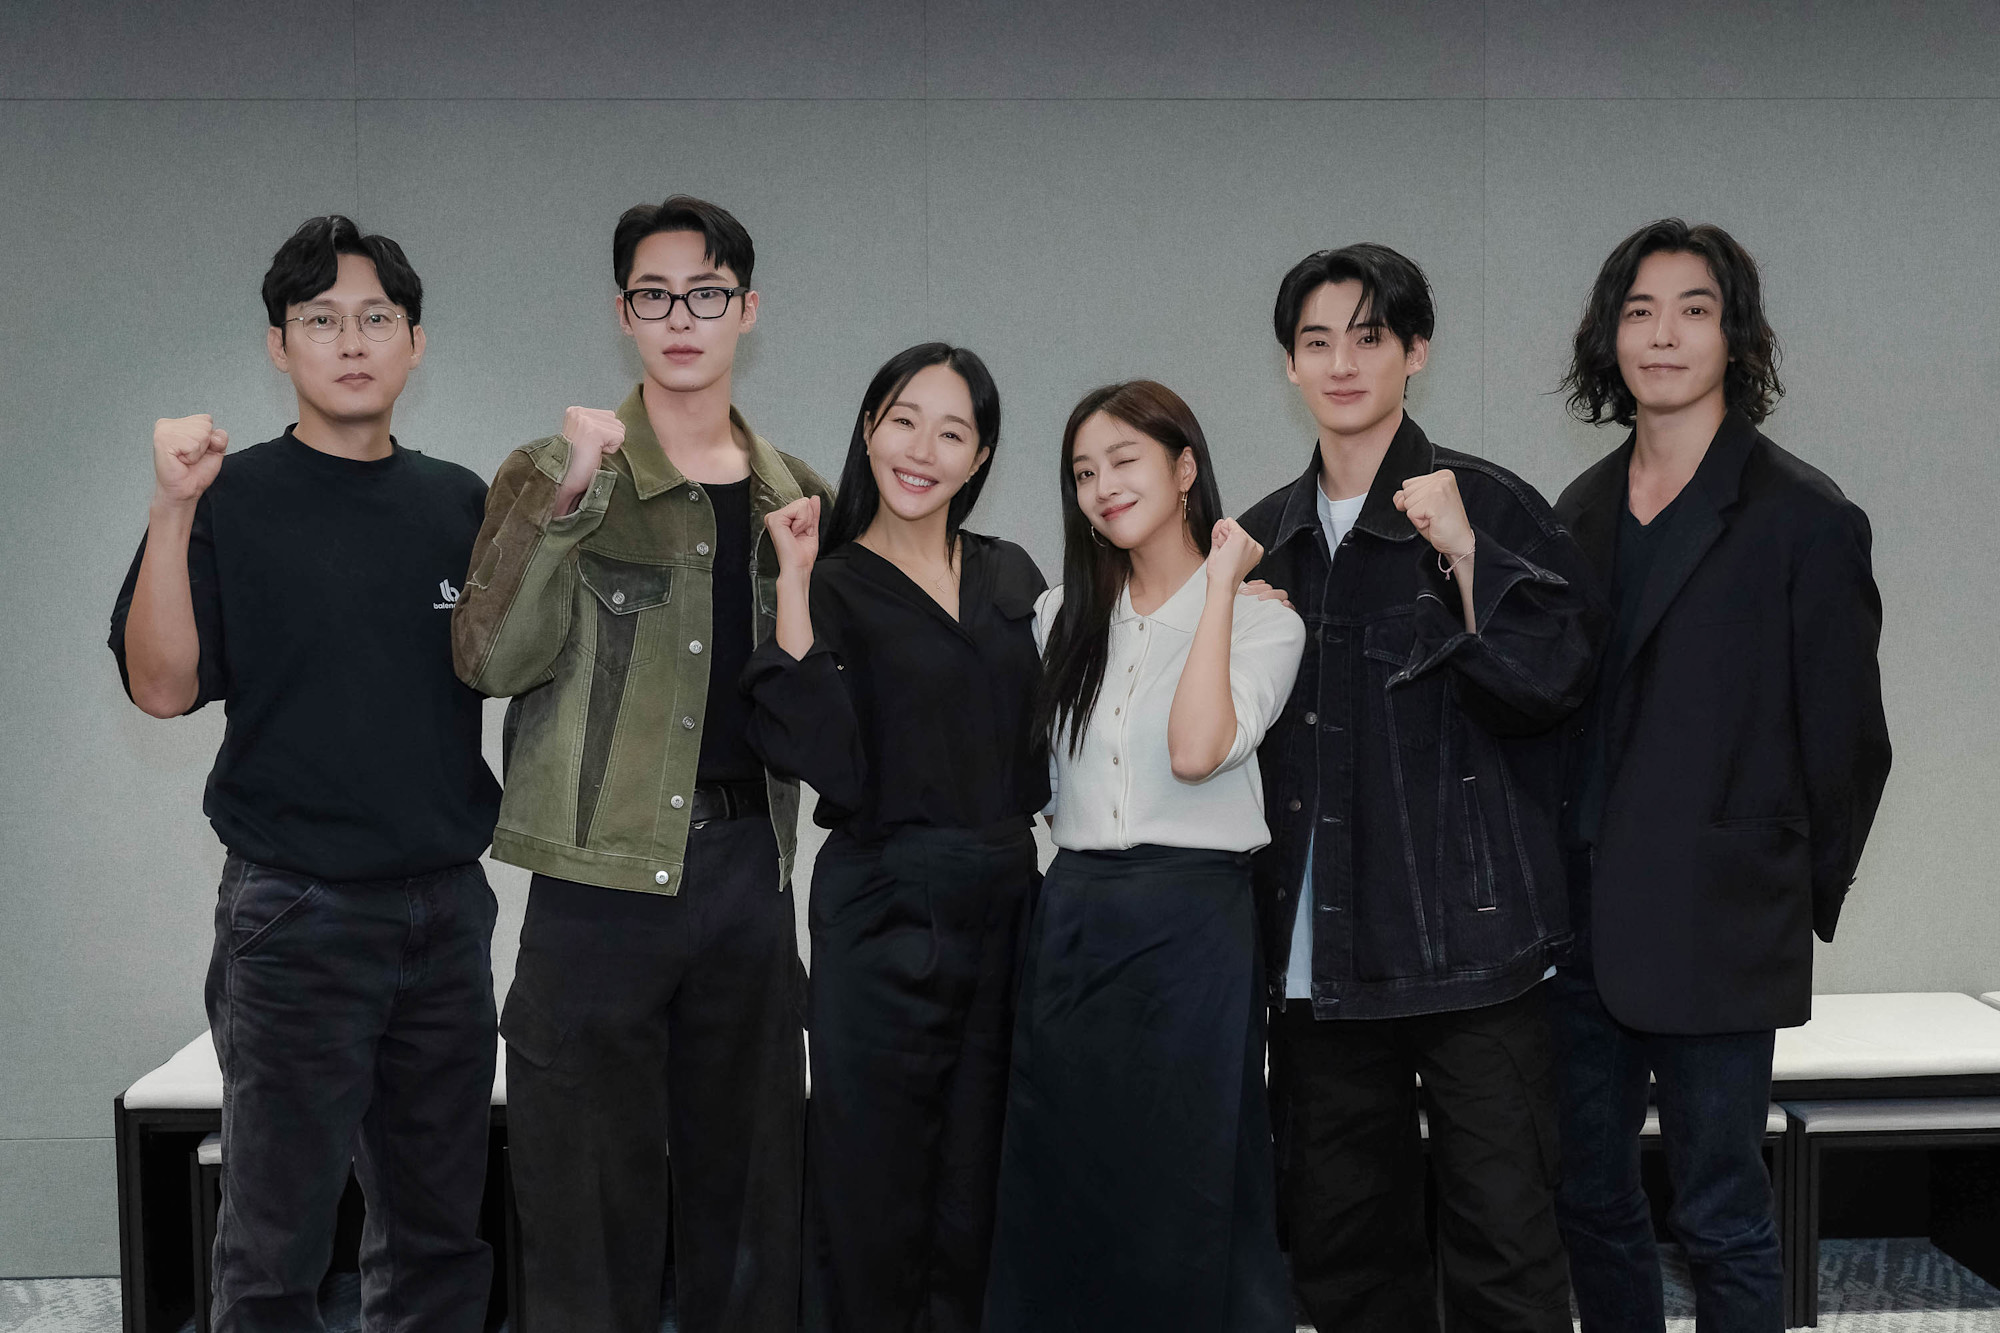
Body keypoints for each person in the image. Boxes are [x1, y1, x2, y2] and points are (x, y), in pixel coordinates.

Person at [109, 216, 501, 1331]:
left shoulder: (460, 503)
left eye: (377, 316)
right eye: (320, 319)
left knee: (439, 1236)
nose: (352, 340)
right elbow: (161, 687)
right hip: (295, 914)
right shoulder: (227, 498)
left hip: (445, 912)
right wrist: (170, 506)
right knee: (274, 1244)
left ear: (416, 341)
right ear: (279, 345)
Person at [451, 195, 832, 1333]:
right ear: (623, 314)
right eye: (654, 295)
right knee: (581, 1205)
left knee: (749, 1202)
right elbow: (488, 659)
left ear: (746, 310)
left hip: (747, 878)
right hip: (595, 883)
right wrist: (571, 496)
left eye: (705, 294)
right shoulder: (551, 468)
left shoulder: (793, 493)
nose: (680, 317)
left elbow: (817, 704)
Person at [1238, 243, 1601, 1332]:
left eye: (1368, 337)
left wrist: (1465, 555)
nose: (1342, 363)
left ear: (1415, 351)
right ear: (1289, 365)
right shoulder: (1263, 538)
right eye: (1316, 342)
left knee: (1505, 1248)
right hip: (1322, 967)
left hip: (1473, 955)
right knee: (1345, 1254)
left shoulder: (1488, 503)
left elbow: (1555, 681)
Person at [1551, 219, 1892, 1331]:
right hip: (1579, 924)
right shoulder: (1576, 511)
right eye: (1639, 311)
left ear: (1734, 337)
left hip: (1721, 924)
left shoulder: (1804, 515)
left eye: (1692, 310)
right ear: (1609, 338)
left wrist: (1784, 897)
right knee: (1587, 1197)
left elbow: (1849, 743)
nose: (1663, 334)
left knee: (1721, 1214)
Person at [985, 380, 1303, 1333]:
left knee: (1191, 1176)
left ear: (1185, 466)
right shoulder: (1058, 617)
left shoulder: (1264, 620)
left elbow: (1197, 748)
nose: (1103, 487)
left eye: (1124, 460)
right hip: (1077, 915)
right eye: (1084, 472)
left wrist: (1221, 586)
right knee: (1069, 1173)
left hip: (1195, 920)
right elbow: (1044, 785)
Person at [743, 342, 1045, 1333]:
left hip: (1007, 901)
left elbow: (1074, 714)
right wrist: (792, 578)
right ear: (869, 429)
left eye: (952, 432)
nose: (922, 450)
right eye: (903, 420)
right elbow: (818, 755)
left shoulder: (1010, 572)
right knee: (870, 1182)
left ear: (981, 455)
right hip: (882, 904)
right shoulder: (831, 580)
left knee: (986, 1178)